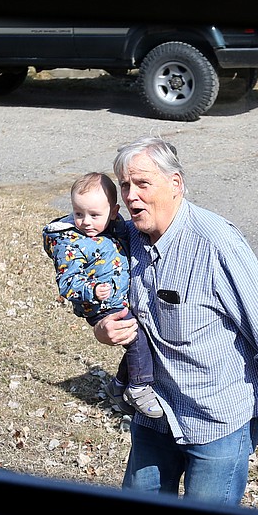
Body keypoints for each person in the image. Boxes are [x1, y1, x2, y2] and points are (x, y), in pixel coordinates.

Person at [94, 136, 258, 506]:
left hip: (216, 423)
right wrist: (102, 328)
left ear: (175, 184)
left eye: (143, 184)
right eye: (125, 186)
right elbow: (80, 252)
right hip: (155, 411)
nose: (131, 197)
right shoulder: (127, 238)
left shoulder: (215, 243)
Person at [43, 172, 164, 419]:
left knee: (146, 337)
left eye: (94, 215)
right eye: (79, 214)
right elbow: (68, 282)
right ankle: (139, 387)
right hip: (100, 304)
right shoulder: (70, 243)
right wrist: (93, 290)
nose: (86, 222)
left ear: (113, 211)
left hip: (119, 297)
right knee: (136, 338)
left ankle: (119, 385)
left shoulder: (114, 228)